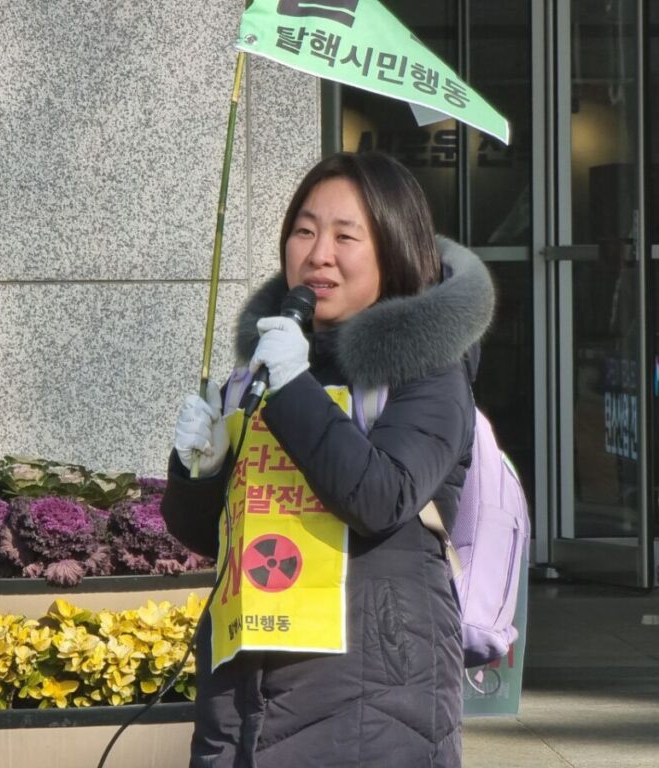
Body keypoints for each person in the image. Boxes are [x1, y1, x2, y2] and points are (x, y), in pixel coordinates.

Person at [161, 151, 495, 767]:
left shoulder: (428, 370)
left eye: (346, 236)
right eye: (304, 230)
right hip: (243, 696)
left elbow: (380, 497)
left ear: (393, 248)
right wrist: (198, 470)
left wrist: (292, 388)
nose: (319, 254)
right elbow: (211, 536)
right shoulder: (267, 366)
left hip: (374, 697)